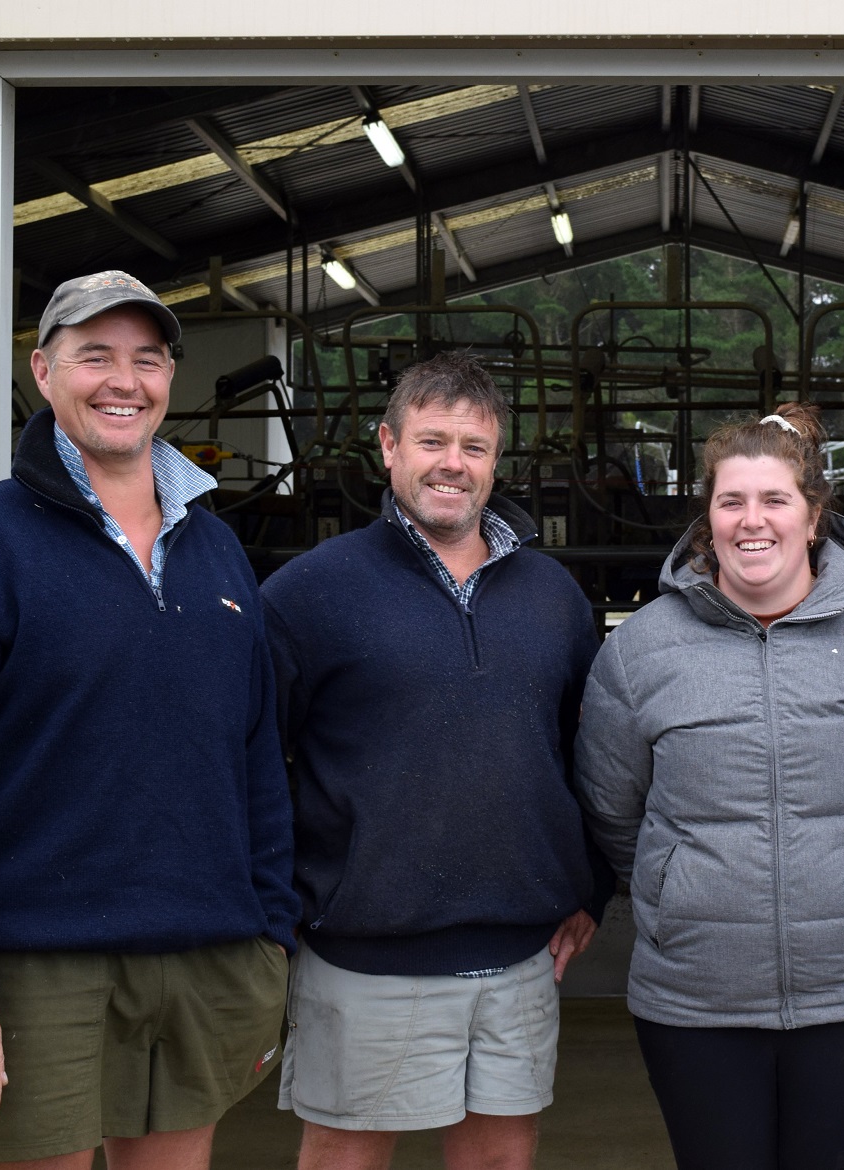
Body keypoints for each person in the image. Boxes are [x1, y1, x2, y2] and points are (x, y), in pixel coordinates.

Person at [0, 270, 300, 1168]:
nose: (123, 380)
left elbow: (257, 753)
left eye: (146, 359)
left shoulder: (215, 546)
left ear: (168, 382)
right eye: (94, 355)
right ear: (43, 371)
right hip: (40, 965)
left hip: (208, 951)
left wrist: (270, 931)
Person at [575, 403, 844, 1170]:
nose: (752, 522)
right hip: (696, 997)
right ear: (707, 518)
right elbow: (612, 808)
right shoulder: (642, 649)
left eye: (775, 500)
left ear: (815, 517)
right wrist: (680, 890)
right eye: (731, 501)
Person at [261, 351, 612, 1170]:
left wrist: (590, 881)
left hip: (521, 958)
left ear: (496, 461)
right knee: (346, 1156)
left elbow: (590, 751)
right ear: (388, 446)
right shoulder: (310, 593)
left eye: (475, 446)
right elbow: (251, 763)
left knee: (499, 1159)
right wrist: (272, 912)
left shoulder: (553, 594)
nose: (453, 463)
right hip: (364, 950)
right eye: (432, 441)